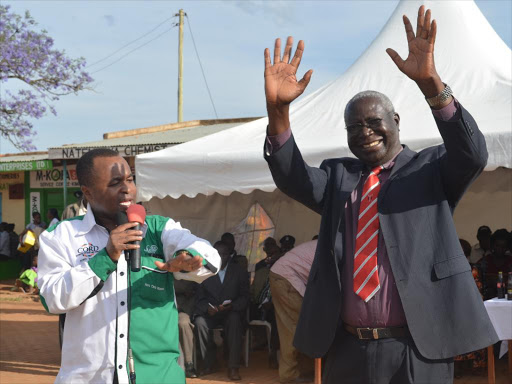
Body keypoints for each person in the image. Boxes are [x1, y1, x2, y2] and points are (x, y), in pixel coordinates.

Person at [262, 6, 498, 383]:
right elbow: (292, 178)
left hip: (419, 350)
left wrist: (432, 84)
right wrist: (278, 113)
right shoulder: (338, 176)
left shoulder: (430, 169)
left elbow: (473, 153)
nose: (365, 132)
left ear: (396, 123)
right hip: (348, 350)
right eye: (354, 127)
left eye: (374, 122)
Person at [37, 148, 221, 384]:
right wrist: (106, 257)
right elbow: (52, 298)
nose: (127, 189)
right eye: (115, 183)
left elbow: (210, 256)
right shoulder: (63, 235)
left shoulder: (158, 229)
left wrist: (189, 259)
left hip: (158, 377)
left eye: (130, 179)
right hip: (90, 378)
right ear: (88, 192)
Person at [193, 241, 249, 381]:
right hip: (211, 313)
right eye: (217, 253)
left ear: (230, 255)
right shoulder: (204, 271)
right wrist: (207, 308)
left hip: (231, 312)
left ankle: (233, 367)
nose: (220, 257)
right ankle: (209, 363)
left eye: (224, 254)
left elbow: (245, 297)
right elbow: (199, 298)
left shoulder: (239, 271)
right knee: (200, 323)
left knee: (235, 321)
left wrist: (232, 306)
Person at [270, 239, 317, 383]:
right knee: (296, 327)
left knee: (297, 326)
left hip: (282, 277)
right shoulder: (332, 248)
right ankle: (289, 375)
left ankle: (303, 370)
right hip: (287, 279)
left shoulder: (327, 244)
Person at [250, 236, 282, 369]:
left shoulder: (282, 263)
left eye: (272, 245)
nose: (270, 248)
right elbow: (255, 288)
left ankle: (273, 352)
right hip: (259, 303)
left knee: (276, 318)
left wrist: (272, 302)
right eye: (267, 246)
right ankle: (255, 342)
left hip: (274, 304)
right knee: (242, 311)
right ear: (264, 249)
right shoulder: (260, 266)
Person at [477, 228, 512, 299]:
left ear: (507, 247)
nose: (500, 249)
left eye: (503, 246)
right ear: (492, 245)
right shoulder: (484, 261)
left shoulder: (510, 261)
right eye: (497, 246)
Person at [175, 278, 199, 378]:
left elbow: (196, 294)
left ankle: (188, 363)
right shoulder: (160, 267)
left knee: (183, 323)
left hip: (183, 310)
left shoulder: (190, 270)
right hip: (162, 310)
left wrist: (183, 309)